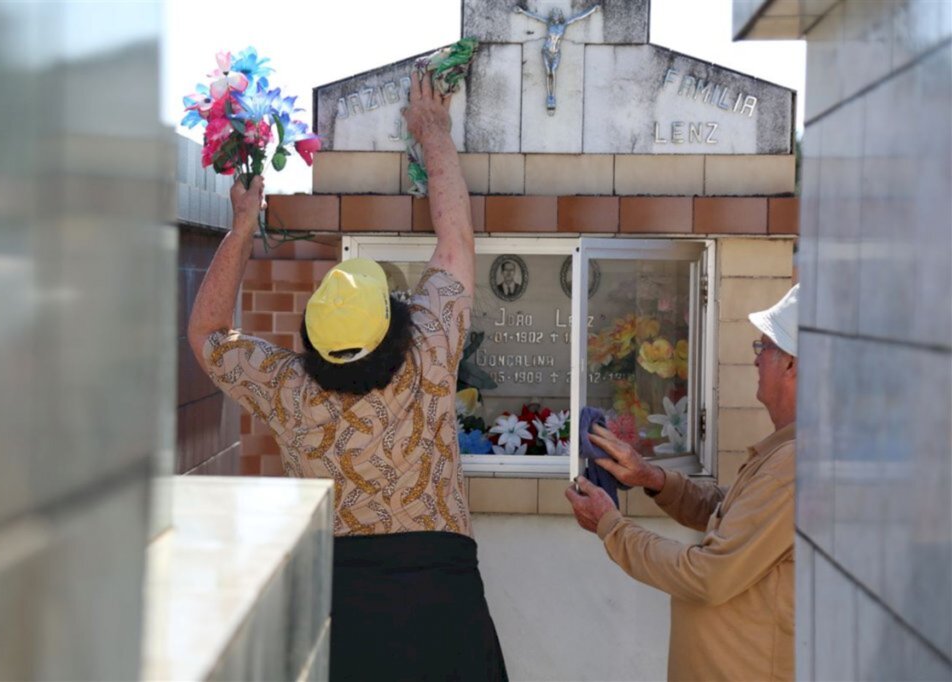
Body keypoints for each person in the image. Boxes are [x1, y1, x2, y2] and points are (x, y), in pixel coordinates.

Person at [188, 71, 507, 681]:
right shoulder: (430, 349)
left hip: (340, 613)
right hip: (446, 608)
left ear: (311, 339)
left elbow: (207, 333)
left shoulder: (286, 388)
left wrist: (243, 224)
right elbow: (456, 240)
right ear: (391, 321)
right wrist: (433, 132)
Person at [566, 284, 800, 681]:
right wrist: (652, 478)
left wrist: (611, 526)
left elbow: (708, 576)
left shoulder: (793, 464)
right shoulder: (788, 453)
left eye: (763, 347)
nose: (755, 359)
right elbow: (730, 513)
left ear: (792, 363)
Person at [514, 3, 599, 111]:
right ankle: (550, 97)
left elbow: (578, 18)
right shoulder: (548, 23)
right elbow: (536, 17)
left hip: (556, 53)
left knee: (553, 71)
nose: (555, 16)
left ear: (560, 16)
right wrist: (522, 11)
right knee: (548, 72)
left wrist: (592, 10)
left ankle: (552, 96)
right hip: (546, 51)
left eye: (557, 14)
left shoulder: (564, 25)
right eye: (554, 14)